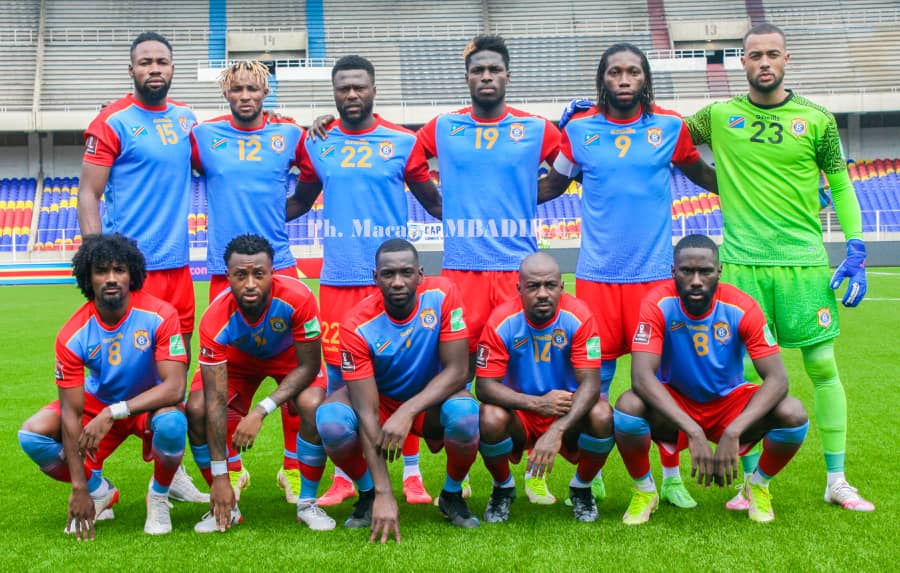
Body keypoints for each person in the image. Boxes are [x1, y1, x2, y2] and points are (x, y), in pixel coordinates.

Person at [685, 23, 874, 512]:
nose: (763, 62)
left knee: (822, 367)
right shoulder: (718, 115)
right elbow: (669, 140)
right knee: (743, 375)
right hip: (742, 266)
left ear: (786, 59)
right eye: (753, 55)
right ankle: (751, 484)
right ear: (741, 63)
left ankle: (837, 479)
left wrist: (855, 247)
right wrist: (716, 180)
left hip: (804, 263)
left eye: (772, 54)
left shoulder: (817, 119)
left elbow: (843, 185)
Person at [539, 43, 719, 508]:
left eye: (632, 72)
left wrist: (773, 187)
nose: (623, 79)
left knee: (660, 383)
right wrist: (487, 195)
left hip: (655, 280)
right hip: (597, 281)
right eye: (615, 72)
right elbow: (553, 185)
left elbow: (706, 175)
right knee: (591, 382)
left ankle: (671, 475)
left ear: (644, 79)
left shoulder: (669, 128)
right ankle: (590, 474)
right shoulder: (578, 132)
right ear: (602, 79)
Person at [289, 55, 442, 507]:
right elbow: (300, 199)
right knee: (340, 376)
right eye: (343, 88)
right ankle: (344, 476)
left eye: (359, 87)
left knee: (405, 374)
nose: (351, 95)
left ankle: (412, 475)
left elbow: (434, 202)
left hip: (391, 280)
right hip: (339, 280)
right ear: (334, 93)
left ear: (373, 89)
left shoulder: (402, 141)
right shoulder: (317, 143)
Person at [416, 33, 562, 504]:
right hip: (461, 272)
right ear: (468, 77)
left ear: (507, 76)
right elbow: (412, 167)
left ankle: (531, 468)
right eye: (478, 71)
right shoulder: (443, 127)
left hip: (517, 274)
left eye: (494, 70)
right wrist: (444, 207)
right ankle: (463, 467)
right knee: (456, 374)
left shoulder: (536, 128)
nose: (486, 77)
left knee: (521, 374)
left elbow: (568, 167)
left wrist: (529, 199)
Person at [76, 32, 207, 504]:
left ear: (173, 68)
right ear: (131, 69)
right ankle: (94, 471)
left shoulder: (187, 119)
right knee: (127, 370)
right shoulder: (111, 121)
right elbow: (89, 193)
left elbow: (232, 141)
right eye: (145, 62)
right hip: (132, 275)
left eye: (163, 62)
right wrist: (98, 264)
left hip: (179, 270)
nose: (155, 69)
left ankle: (168, 477)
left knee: (173, 373)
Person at [615, 234, 809, 524]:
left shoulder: (742, 306)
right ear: (673, 272)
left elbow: (778, 379)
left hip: (729, 404)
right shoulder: (657, 303)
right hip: (678, 403)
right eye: (686, 271)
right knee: (628, 407)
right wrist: (693, 431)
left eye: (705, 271)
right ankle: (645, 490)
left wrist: (734, 431)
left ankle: (757, 485)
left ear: (718, 272)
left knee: (793, 413)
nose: (695, 280)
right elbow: (641, 377)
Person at [189, 60, 310, 505]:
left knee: (303, 379)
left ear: (265, 93)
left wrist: (285, 213)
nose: (245, 96)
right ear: (226, 93)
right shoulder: (203, 137)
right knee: (221, 378)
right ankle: (233, 470)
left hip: (280, 267)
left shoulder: (290, 136)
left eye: (253, 89)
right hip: (223, 275)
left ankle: (294, 469)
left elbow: (313, 179)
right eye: (237, 88)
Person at [18, 234, 189, 538]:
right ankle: (101, 491)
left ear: (132, 274)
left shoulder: (160, 314)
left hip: (145, 405)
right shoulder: (73, 334)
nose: (111, 279)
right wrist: (80, 487)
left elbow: (175, 388)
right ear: (88, 277)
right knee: (32, 435)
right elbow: (71, 412)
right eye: (101, 271)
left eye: (119, 270)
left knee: (174, 422)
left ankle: (159, 495)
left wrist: (114, 412)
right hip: (98, 406)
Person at [315, 239, 480, 542]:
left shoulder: (443, 294)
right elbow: (366, 410)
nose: (398, 282)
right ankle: (367, 495)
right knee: (331, 420)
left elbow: (458, 371)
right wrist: (384, 493)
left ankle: (452, 495)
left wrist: (408, 410)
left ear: (420, 273)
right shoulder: (355, 325)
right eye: (388, 274)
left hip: (429, 400)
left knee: (466, 414)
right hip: (379, 400)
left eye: (406, 273)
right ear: (375, 278)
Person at [191, 234, 329, 533]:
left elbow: (309, 366)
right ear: (227, 276)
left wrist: (260, 410)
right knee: (197, 408)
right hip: (239, 361)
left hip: (289, 359)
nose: (250, 283)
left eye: (259, 274)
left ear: (272, 273)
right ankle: (226, 505)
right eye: (241, 275)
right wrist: (219, 478)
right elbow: (214, 400)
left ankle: (307, 503)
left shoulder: (299, 297)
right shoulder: (215, 318)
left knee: (313, 405)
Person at [475, 253, 614, 523]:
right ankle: (503, 488)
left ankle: (581, 488)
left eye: (550, 285)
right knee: (489, 417)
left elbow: (591, 384)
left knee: (602, 415)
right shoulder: (501, 320)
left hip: (565, 410)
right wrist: (537, 404)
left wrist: (557, 428)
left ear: (562, 287)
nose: (542, 294)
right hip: (521, 412)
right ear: (519, 289)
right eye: (533, 286)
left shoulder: (579, 316)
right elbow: (484, 387)